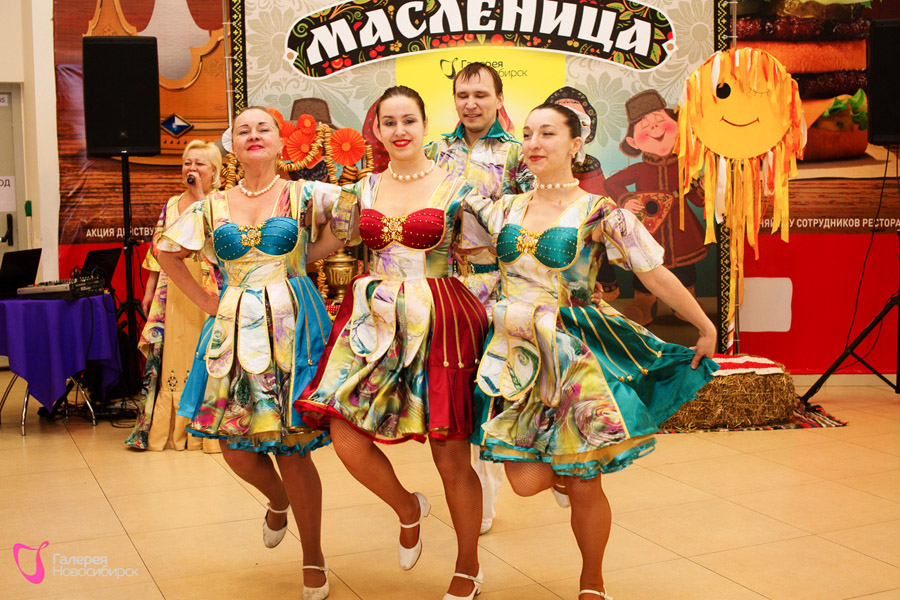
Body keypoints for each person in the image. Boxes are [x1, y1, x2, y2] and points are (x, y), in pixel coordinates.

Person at [464, 103, 718, 599]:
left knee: (584, 480)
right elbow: (469, 256)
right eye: (528, 134)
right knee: (524, 481)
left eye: (548, 133)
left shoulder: (600, 211)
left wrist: (703, 325)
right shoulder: (503, 209)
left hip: (575, 354)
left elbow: (652, 273)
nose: (534, 143)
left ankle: (592, 582)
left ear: (576, 144)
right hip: (516, 351)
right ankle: (564, 473)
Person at [297, 86, 489, 600]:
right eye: (389, 122)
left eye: (409, 120)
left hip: (441, 317)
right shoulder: (361, 190)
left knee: (450, 454)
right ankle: (408, 507)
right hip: (373, 319)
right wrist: (275, 267)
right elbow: (333, 242)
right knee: (345, 433)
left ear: (425, 125)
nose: (400, 131)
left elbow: (490, 250)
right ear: (377, 130)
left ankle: (467, 566)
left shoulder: (461, 186)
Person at [156, 106, 355, 600]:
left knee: (292, 448)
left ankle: (313, 557)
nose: (253, 135)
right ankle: (277, 499)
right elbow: (167, 250)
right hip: (233, 330)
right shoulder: (213, 205)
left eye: (263, 127)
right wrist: (205, 300)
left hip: (293, 330)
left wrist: (308, 255)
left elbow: (351, 217)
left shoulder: (303, 194)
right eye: (243, 130)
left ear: (280, 141)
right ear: (233, 147)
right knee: (234, 448)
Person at [424, 61, 533, 535]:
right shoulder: (434, 152)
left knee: (493, 390)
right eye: (463, 95)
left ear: (499, 99)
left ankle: (531, 475)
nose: (471, 104)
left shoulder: (518, 155)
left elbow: (532, 220)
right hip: (447, 289)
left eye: (481, 95)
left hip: (499, 287)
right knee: (457, 393)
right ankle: (477, 494)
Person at [126, 140, 223, 452]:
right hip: (175, 289)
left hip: (209, 290)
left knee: (205, 352)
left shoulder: (221, 203)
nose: (191, 169)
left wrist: (200, 196)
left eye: (199, 164)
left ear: (214, 171)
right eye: (187, 163)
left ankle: (205, 427)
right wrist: (150, 290)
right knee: (175, 354)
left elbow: (223, 246)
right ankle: (171, 429)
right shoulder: (171, 204)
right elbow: (159, 249)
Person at [604, 90, 709, 325]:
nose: (654, 127)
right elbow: (611, 183)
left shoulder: (685, 167)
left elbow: (697, 200)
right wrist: (625, 200)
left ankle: (687, 304)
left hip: (682, 231)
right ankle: (643, 304)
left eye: (661, 120)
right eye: (645, 126)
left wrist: (702, 188)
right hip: (648, 232)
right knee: (644, 270)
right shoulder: (639, 169)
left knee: (685, 271)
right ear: (633, 142)